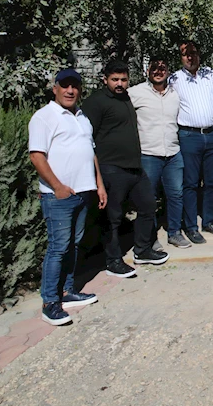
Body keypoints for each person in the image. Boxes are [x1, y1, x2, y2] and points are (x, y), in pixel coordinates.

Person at [29, 69, 107, 326]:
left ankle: (67, 291)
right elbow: (36, 156)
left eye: (75, 86)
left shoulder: (82, 118)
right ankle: (50, 302)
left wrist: (99, 185)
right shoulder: (44, 117)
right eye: (65, 86)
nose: (70, 91)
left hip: (84, 193)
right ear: (55, 88)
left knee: (74, 244)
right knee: (58, 248)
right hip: (58, 196)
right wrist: (58, 186)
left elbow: (91, 153)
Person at [83, 60, 169, 278]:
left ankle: (142, 250)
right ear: (105, 80)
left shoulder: (127, 98)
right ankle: (112, 261)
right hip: (111, 167)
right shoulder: (96, 102)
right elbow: (86, 136)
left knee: (148, 205)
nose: (119, 83)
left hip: (134, 167)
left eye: (123, 79)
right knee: (112, 217)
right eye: (115, 80)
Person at [169, 41, 213, 244]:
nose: (190, 57)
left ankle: (209, 220)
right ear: (180, 57)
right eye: (185, 54)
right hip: (190, 137)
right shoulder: (175, 79)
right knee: (190, 183)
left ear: (199, 54)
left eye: (193, 53)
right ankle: (190, 226)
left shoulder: (212, 75)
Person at [128, 57, 187, 249]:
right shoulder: (135, 93)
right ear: (148, 71)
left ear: (168, 71)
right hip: (148, 154)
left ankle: (175, 233)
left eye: (163, 68)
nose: (158, 71)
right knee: (148, 199)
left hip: (173, 153)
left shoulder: (175, 94)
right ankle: (150, 238)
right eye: (154, 68)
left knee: (176, 194)